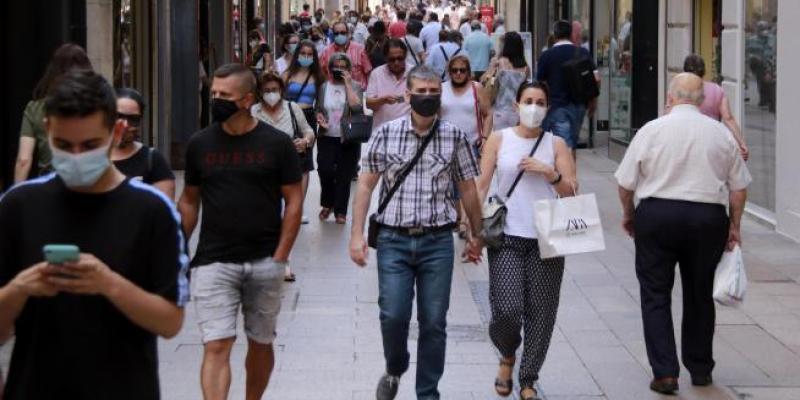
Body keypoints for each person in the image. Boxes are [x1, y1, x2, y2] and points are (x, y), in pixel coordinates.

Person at [0, 69, 188, 399]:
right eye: (62, 145)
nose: (75, 157)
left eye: (89, 145)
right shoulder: (17, 207)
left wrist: (108, 283)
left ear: (116, 132)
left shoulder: (152, 211)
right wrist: (19, 289)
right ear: (47, 131)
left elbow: (170, 322)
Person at [349, 65, 484, 400]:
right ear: (407, 95)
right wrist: (356, 235)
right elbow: (365, 186)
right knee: (392, 314)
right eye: (420, 92)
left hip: (437, 241)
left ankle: (428, 393)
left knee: (434, 321)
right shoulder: (386, 133)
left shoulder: (455, 136)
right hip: (393, 239)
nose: (427, 98)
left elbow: (468, 190)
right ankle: (395, 367)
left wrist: (476, 235)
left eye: (432, 92)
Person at [614, 73, 751, 395]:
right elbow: (739, 189)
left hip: (658, 215)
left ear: (670, 97)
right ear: (702, 100)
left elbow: (625, 183)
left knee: (655, 293)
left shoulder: (652, 129)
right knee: (700, 293)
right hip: (707, 218)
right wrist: (735, 226)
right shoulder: (720, 133)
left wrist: (629, 214)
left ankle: (665, 372)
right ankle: (700, 367)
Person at [178, 64, 303, 400]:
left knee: (261, 343)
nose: (216, 100)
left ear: (247, 99)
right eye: (214, 93)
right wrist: (178, 249)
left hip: (265, 260)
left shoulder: (277, 144)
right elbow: (189, 201)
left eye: (224, 96)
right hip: (213, 261)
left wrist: (281, 257)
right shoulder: (199, 144)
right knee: (216, 343)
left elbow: (294, 201)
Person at [475, 81, 576, 400]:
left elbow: (572, 192)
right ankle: (507, 352)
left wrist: (550, 173)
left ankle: (528, 378)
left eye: (541, 102)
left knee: (542, 311)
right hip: (506, 235)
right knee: (506, 309)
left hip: (547, 238)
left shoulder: (557, 144)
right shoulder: (499, 139)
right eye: (529, 101)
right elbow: (481, 184)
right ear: (517, 106)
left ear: (547, 108)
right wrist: (472, 229)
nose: (535, 107)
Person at [252, 72, 315, 281]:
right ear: (260, 93)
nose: (272, 94)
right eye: (267, 90)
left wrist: (304, 141)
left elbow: (308, 131)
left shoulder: (292, 108)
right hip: (260, 173)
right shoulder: (253, 112)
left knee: (287, 215)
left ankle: (284, 261)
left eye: (275, 90)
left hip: (289, 170)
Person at [14, 43, 92, 183]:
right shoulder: (96, 106)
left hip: (49, 183)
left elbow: (23, 160)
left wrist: (15, 196)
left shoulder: (35, 108)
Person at [315, 53, 365, 224]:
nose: (339, 70)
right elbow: (319, 109)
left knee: (344, 175)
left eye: (344, 67)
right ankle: (328, 203)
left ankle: (340, 211)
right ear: (329, 69)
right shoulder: (323, 87)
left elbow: (357, 108)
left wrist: (348, 85)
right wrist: (319, 118)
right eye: (336, 66)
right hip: (327, 136)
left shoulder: (355, 86)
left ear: (349, 70)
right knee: (325, 170)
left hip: (348, 137)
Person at [672, 54, 749, 160]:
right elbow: (728, 118)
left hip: (684, 141)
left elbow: (669, 114)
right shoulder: (717, 90)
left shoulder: (678, 89)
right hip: (710, 141)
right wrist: (741, 142)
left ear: (685, 72)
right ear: (704, 71)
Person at [536, 20, 596, 155]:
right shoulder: (583, 53)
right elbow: (595, 79)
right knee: (571, 143)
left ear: (555, 35)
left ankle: (567, 174)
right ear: (570, 34)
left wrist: (543, 104)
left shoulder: (547, 55)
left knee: (564, 145)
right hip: (579, 105)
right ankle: (569, 173)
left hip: (557, 105)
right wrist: (593, 102)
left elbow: (541, 82)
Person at [282, 40, 324, 222]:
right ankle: (285, 205)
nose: (306, 57)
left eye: (310, 54)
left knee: (305, 164)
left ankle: (298, 207)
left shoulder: (318, 77)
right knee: (284, 161)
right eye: (303, 53)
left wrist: (322, 117)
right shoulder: (287, 75)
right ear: (297, 54)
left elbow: (322, 103)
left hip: (308, 118)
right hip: (288, 117)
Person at [111, 88, 176, 199]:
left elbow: (164, 211)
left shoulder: (152, 160)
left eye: (133, 119)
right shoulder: (93, 157)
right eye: (119, 117)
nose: (125, 125)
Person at [483, 31, 529, 130]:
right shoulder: (525, 67)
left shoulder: (498, 62)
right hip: (517, 112)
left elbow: (485, 79)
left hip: (499, 110)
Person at [366, 39, 412, 131]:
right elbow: (369, 104)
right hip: (382, 131)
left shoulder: (414, 73)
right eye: (392, 59)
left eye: (400, 58)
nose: (396, 63)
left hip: (407, 132)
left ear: (405, 56)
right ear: (385, 58)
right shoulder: (377, 74)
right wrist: (382, 100)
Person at [320, 21, 373, 88]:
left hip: (358, 92)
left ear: (348, 33)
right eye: (336, 33)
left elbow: (368, 72)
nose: (339, 35)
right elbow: (322, 72)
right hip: (336, 92)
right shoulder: (326, 52)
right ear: (333, 34)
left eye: (342, 33)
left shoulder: (360, 49)